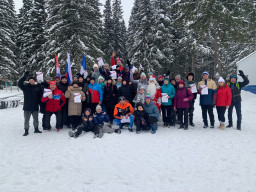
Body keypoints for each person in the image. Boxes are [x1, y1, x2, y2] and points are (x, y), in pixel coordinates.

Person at [18, 71, 42, 136]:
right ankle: (26, 130)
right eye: (30, 80)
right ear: (29, 81)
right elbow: (19, 83)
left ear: (34, 81)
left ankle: (36, 129)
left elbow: (41, 95)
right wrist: (25, 76)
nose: (31, 81)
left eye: (33, 80)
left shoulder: (37, 87)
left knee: (36, 119)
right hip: (27, 107)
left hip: (35, 106)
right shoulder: (25, 87)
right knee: (26, 120)